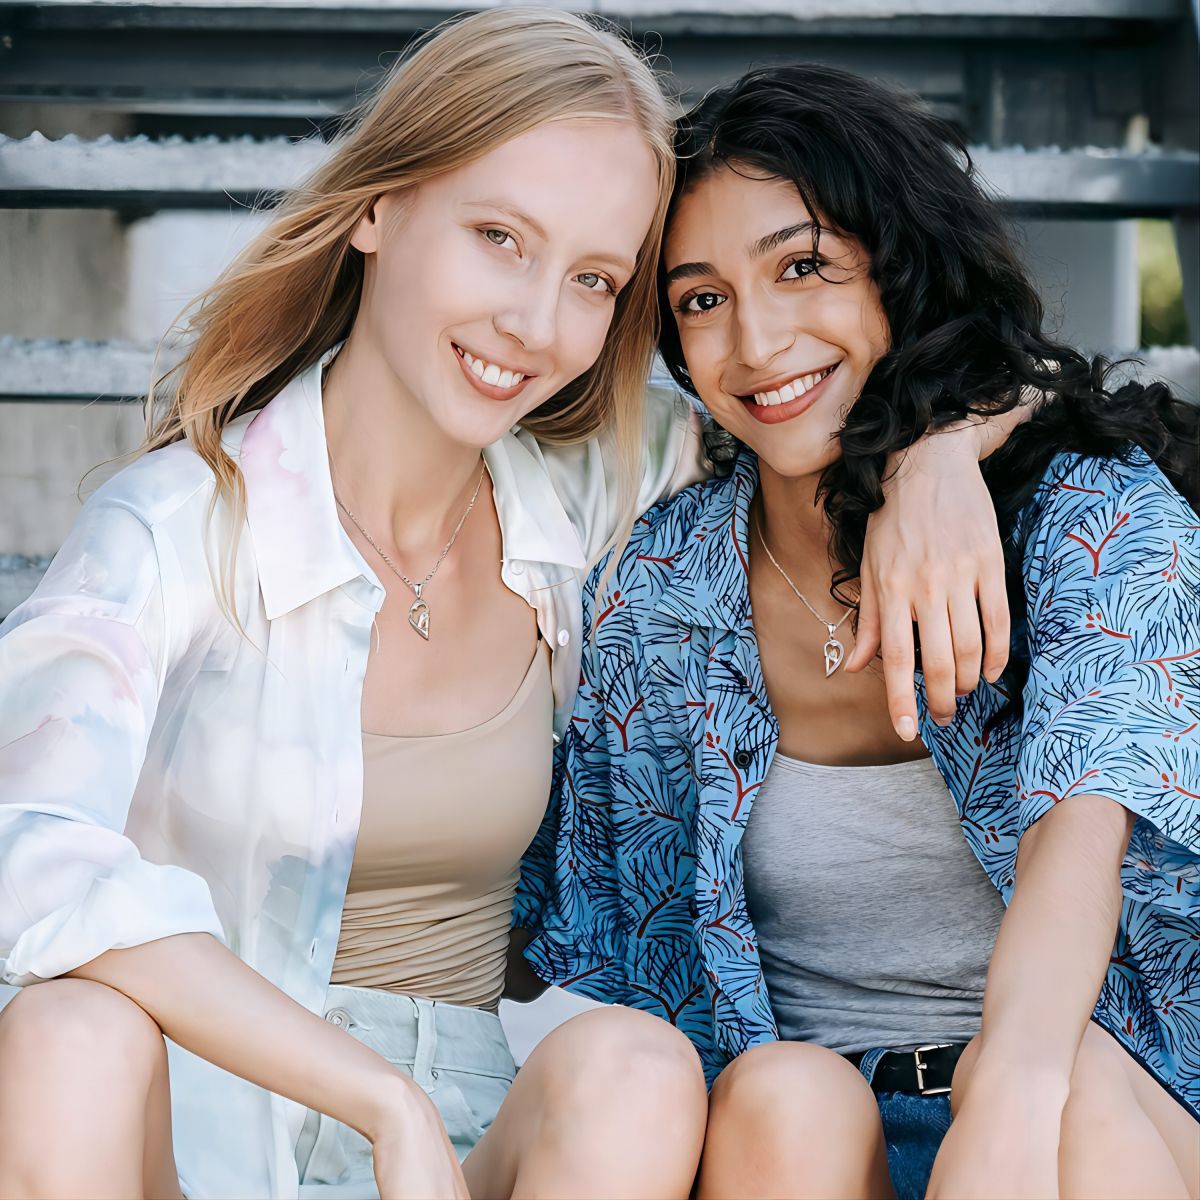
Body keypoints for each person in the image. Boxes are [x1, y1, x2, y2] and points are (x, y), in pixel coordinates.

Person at [0, 12, 1022, 1195]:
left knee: (636, 1065)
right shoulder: (172, 526)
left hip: (477, 1130)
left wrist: (944, 454)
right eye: (499, 237)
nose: (536, 326)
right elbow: (27, 848)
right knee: (66, 1035)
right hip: (208, 1124)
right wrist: (371, 1095)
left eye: (593, 279)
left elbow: (869, 383)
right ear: (376, 210)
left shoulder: (603, 513)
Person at [518, 63, 1200, 1200]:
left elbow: (1082, 838)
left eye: (802, 267)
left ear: (897, 268)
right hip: (797, 1141)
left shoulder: (1090, 513)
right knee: (789, 1093)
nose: (758, 340)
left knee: (1060, 1076)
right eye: (701, 298)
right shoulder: (664, 581)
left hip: (1087, 1108)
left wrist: (1009, 1097)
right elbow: (594, 931)